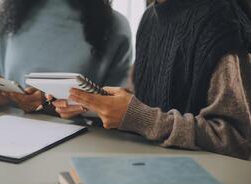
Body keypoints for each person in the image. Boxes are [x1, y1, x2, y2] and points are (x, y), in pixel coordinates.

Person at [61, 0, 251, 160]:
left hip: (194, 181)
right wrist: (90, 105)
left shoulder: (221, 22)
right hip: (149, 166)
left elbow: (237, 140)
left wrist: (139, 118)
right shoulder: (150, 18)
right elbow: (148, 104)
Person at [0, 0, 132, 113]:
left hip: (76, 143)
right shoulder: (6, 13)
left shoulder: (114, 27)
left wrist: (50, 105)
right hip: (7, 134)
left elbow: (116, 109)